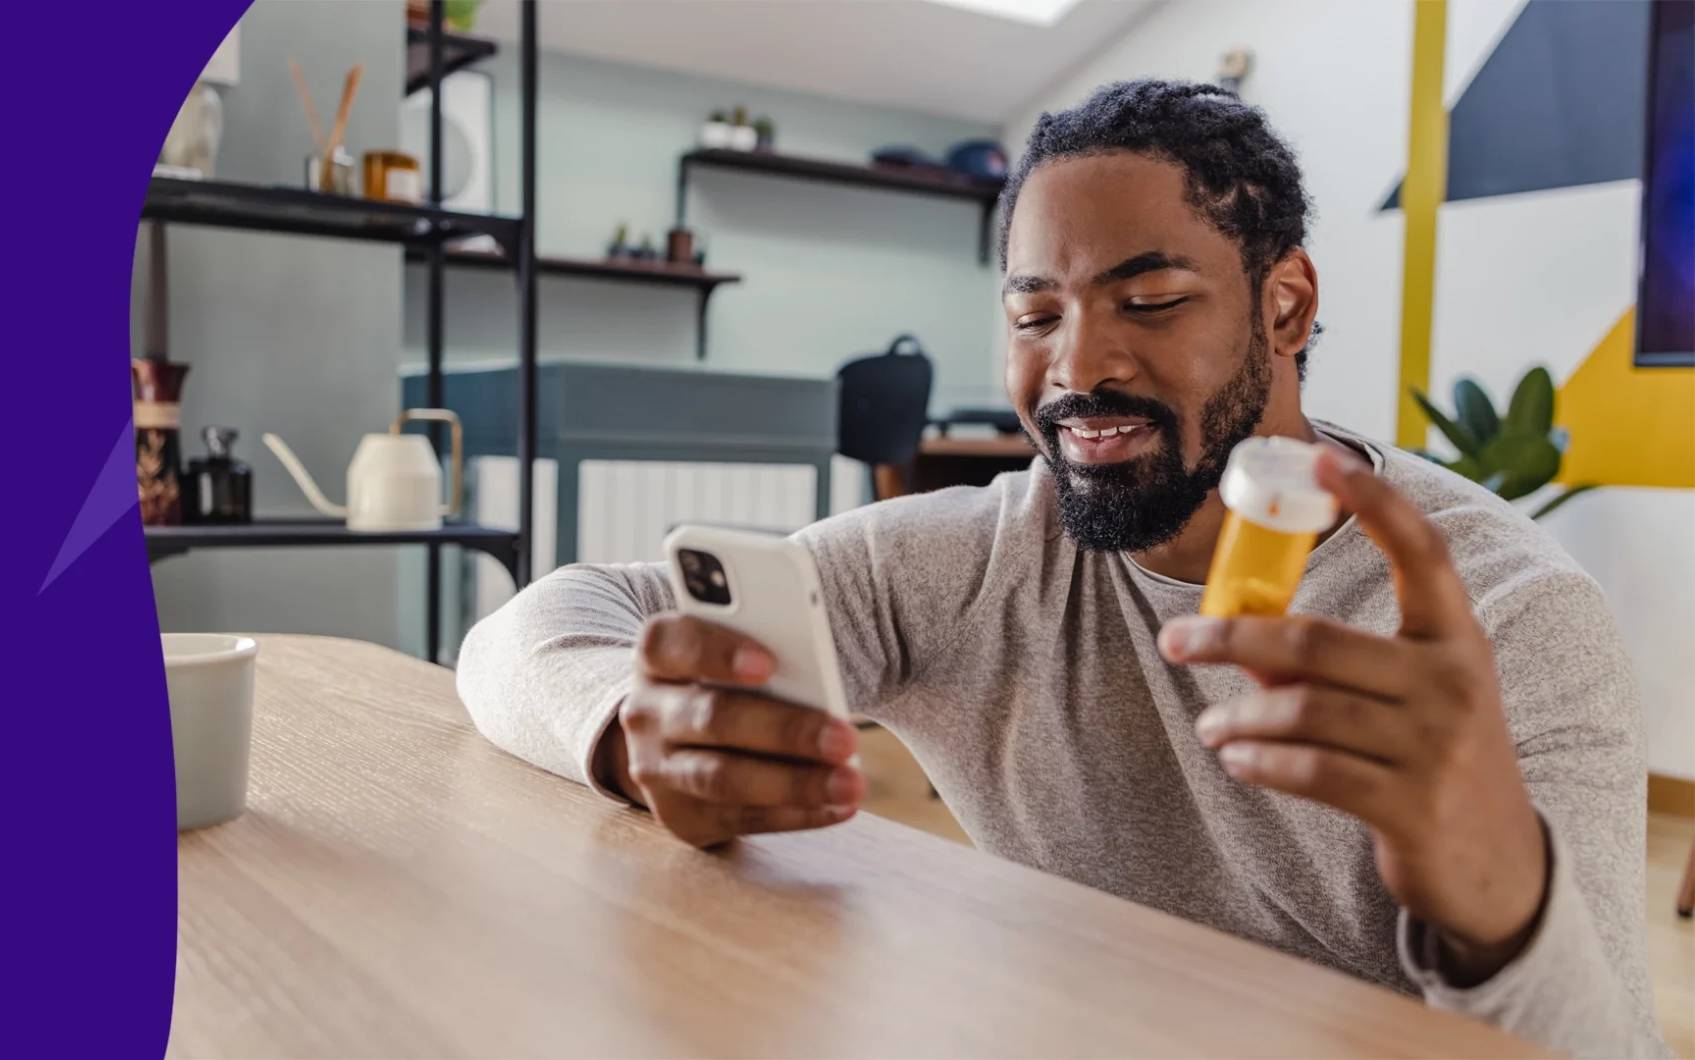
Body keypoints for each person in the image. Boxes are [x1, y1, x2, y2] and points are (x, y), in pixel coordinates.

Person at [455, 80, 1665, 1057]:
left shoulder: (1511, 618)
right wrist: (628, 723)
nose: (1080, 365)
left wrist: (1503, 909)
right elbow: (531, 627)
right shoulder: (981, 554)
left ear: (1285, 307)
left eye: (1148, 299)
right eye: (1036, 317)